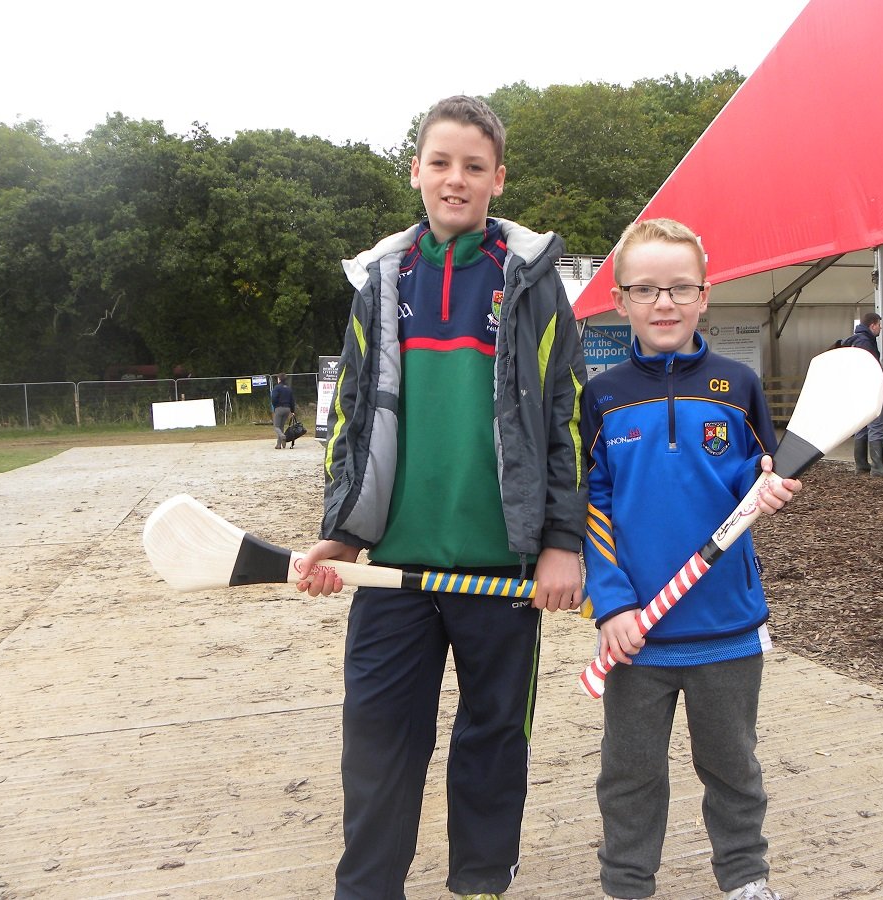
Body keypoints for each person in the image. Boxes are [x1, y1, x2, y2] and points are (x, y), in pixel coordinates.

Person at [292, 95, 587, 900]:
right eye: (441, 162)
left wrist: (564, 539)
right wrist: (344, 535)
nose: (456, 179)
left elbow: (564, 414)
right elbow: (351, 419)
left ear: (498, 180)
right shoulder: (383, 282)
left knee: (493, 740)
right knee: (380, 742)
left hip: (502, 572)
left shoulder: (528, 283)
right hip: (394, 571)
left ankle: (481, 885)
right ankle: (368, 889)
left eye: (474, 167)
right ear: (417, 170)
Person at [582, 218, 801, 900]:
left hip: (728, 631)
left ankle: (745, 878)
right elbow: (594, 510)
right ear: (620, 301)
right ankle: (627, 884)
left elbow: (749, 476)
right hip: (637, 637)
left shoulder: (737, 385)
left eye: (680, 287)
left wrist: (766, 486)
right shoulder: (603, 396)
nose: (665, 303)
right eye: (646, 289)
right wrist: (612, 605)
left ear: (705, 296)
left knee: (733, 768)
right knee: (630, 774)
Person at [845, 312, 883, 476]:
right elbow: (868, 366)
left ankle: (861, 464)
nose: (881, 328)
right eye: (879, 325)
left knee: (862, 426)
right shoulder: (865, 342)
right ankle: (877, 466)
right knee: (876, 424)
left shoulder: (855, 340)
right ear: (872, 325)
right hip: (869, 389)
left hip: (858, 389)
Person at [270, 374, 295, 449]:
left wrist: (275, 406)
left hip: (279, 408)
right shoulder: (288, 388)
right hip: (287, 409)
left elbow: (273, 398)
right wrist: (292, 410)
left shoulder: (277, 387)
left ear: (279, 379)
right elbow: (292, 400)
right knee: (281, 426)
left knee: (276, 426)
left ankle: (282, 436)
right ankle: (279, 445)